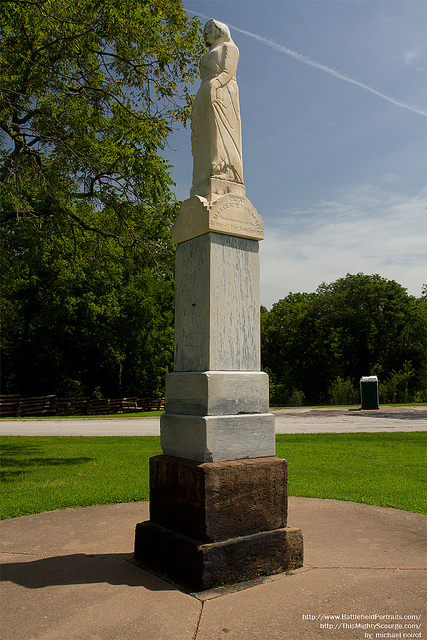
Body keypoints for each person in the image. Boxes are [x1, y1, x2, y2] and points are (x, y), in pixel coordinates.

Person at [191, 19, 243, 192]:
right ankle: (203, 173)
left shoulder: (230, 48)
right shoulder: (207, 54)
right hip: (205, 92)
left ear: (220, 31)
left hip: (222, 93)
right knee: (203, 135)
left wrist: (216, 84)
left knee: (218, 132)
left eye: (209, 29)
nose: (205, 32)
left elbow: (227, 72)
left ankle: (223, 168)